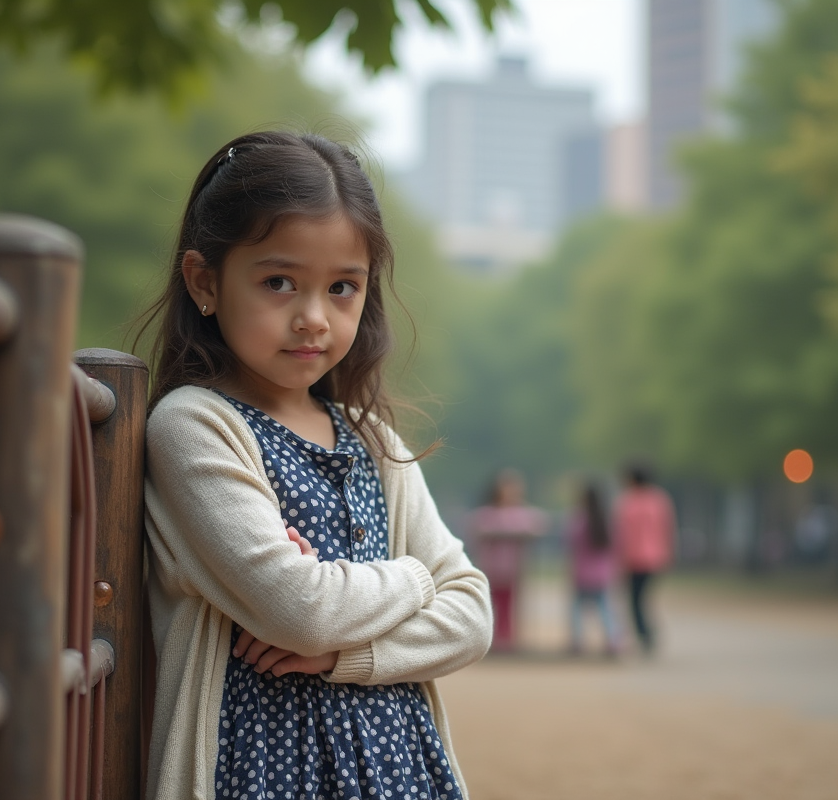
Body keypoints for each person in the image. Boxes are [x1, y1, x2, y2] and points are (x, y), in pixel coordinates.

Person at [140, 131, 493, 800]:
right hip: (260, 769)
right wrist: (420, 578)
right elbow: (297, 608)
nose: (312, 317)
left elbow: (473, 615)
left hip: (401, 770)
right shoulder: (196, 426)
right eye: (279, 282)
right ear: (204, 281)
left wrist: (344, 655)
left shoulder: (374, 441)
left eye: (341, 288)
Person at [466, 469, 547, 652]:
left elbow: (539, 525)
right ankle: (490, 641)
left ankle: (508, 641)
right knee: (491, 606)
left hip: (513, 569)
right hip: (492, 568)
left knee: (509, 606)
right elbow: (477, 527)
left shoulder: (521, 512)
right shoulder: (489, 512)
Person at [613, 463, 675, 654]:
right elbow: (668, 529)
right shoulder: (660, 500)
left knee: (635, 600)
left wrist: (618, 561)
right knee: (642, 599)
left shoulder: (627, 502)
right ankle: (646, 633)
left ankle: (644, 634)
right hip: (655, 557)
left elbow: (622, 534)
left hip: (634, 559)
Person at [564, 482, 621, 656]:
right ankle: (612, 640)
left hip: (582, 573)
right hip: (602, 574)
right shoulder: (606, 520)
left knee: (576, 609)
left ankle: (577, 641)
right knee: (605, 609)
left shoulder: (579, 520)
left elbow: (570, 544)